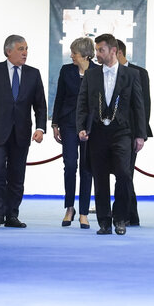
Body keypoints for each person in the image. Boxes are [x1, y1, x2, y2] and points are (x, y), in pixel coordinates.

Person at [77, 33, 146, 236]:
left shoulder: (131, 75)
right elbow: (82, 103)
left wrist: (140, 135)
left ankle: (121, 218)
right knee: (99, 178)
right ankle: (104, 221)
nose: (97, 54)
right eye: (97, 50)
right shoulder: (91, 75)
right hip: (97, 133)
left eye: (101, 50)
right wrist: (81, 127)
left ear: (113, 51)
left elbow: (138, 106)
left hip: (122, 132)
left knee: (124, 175)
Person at [0, 35, 47, 228]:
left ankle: (12, 215)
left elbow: (41, 106)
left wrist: (40, 128)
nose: (25, 53)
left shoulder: (33, 74)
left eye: (26, 48)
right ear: (8, 51)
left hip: (21, 133)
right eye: (21, 49)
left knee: (17, 175)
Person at [52, 37, 94, 229]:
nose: (71, 56)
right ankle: (70, 207)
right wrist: (55, 123)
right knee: (70, 165)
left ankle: (84, 212)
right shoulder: (66, 71)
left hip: (91, 125)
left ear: (85, 54)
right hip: (68, 123)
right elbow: (59, 96)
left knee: (87, 168)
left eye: (74, 53)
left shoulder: (98, 72)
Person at [115, 39, 153, 226]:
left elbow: (144, 105)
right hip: (111, 132)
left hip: (131, 132)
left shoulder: (139, 73)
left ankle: (128, 214)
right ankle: (130, 214)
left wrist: (141, 133)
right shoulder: (106, 73)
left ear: (119, 53)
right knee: (123, 173)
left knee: (126, 172)